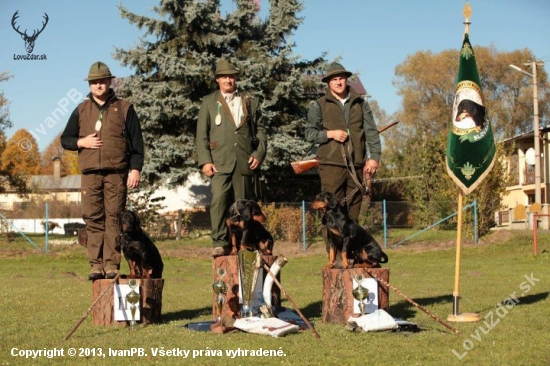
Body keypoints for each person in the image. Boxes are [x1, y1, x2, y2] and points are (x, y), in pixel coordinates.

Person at [61, 61, 144, 280]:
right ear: (90, 85)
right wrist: (82, 142)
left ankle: (111, 266)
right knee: (93, 218)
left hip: (117, 173)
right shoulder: (81, 110)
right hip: (90, 174)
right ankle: (96, 265)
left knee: (114, 219)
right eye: (94, 82)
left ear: (110, 82)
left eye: (103, 81)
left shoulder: (125, 108)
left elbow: (137, 144)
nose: (99, 85)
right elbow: (65, 140)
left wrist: (135, 169)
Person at [196, 58, 267, 257]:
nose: (229, 79)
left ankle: (247, 243)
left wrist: (259, 154)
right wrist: (205, 160)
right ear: (217, 79)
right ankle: (220, 242)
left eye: (232, 76)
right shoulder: (209, 102)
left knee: (245, 206)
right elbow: (201, 133)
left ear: (236, 78)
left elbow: (261, 131)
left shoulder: (250, 101)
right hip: (219, 163)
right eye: (224, 76)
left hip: (245, 161)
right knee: (219, 200)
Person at [305, 62, 381, 233]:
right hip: (331, 166)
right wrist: (330, 134)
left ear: (347, 80)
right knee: (331, 216)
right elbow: (309, 133)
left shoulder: (361, 104)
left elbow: (371, 132)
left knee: (353, 215)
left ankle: (350, 256)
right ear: (328, 83)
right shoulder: (319, 105)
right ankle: (334, 259)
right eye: (334, 79)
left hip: (357, 166)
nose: (338, 82)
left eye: (341, 79)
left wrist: (374, 157)